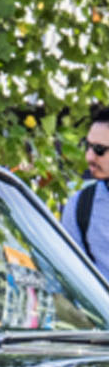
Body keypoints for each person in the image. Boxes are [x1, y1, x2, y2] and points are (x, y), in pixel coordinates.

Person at [60, 104, 109, 278]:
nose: (89, 156)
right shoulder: (81, 205)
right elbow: (67, 277)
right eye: (88, 146)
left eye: (99, 150)